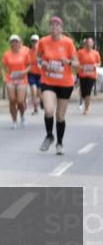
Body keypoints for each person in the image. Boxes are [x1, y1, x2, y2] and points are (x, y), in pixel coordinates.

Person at [36, 16, 79, 155]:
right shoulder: (43, 41)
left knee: (60, 116)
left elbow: (77, 63)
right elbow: (38, 57)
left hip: (65, 83)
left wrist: (69, 62)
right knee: (49, 110)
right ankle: (49, 135)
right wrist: (42, 63)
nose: (54, 27)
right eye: (52, 25)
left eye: (57, 25)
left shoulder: (68, 43)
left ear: (61, 28)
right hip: (48, 81)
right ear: (49, 28)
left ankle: (60, 143)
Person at [1, 35, 30, 130]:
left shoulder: (24, 54)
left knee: (20, 101)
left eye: (16, 41)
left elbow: (29, 65)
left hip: (22, 80)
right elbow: (2, 67)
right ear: (10, 43)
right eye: (12, 41)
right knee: (12, 100)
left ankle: (22, 116)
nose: (14, 43)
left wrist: (24, 72)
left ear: (19, 43)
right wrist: (4, 77)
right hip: (11, 80)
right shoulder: (7, 54)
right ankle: (14, 121)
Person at [77, 37, 100, 115]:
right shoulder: (80, 52)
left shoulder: (96, 53)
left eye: (91, 42)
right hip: (82, 74)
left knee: (88, 91)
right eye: (88, 42)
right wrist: (80, 66)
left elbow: (99, 63)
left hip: (91, 75)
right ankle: (86, 101)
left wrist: (95, 65)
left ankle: (86, 108)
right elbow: (76, 61)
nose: (89, 44)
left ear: (93, 44)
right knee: (83, 92)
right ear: (86, 43)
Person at [27, 34, 42, 114]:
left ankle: (41, 101)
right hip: (32, 74)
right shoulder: (29, 52)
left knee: (39, 93)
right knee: (33, 90)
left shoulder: (41, 52)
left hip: (41, 75)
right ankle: (35, 109)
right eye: (33, 41)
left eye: (35, 41)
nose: (34, 42)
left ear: (38, 42)